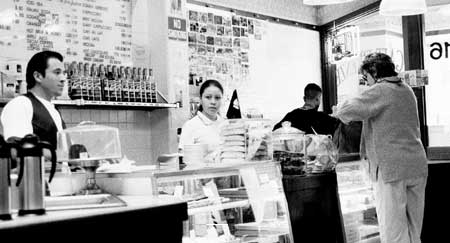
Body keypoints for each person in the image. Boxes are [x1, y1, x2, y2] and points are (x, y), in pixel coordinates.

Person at [332, 53, 428, 243]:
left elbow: (344, 111)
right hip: (416, 165)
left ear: (374, 73)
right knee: (413, 229)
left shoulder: (380, 90)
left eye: (366, 77)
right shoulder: (407, 90)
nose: (366, 82)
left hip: (391, 168)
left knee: (393, 231)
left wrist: (347, 102)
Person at [1, 50, 66, 148]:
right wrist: (59, 156)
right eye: (57, 72)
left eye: (63, 73)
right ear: (38, 76)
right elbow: (20, 148)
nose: (63, 78)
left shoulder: (54, 109)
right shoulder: (20, 104)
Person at [179, 79, 224, 162]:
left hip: (228, 173)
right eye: (208, 97)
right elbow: (183, 161)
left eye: (217, 98)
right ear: (200, 99)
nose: (213, 102)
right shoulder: (191, 126)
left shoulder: (225, 125)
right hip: (202, 174)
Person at [273, 83, 339, 135]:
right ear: (317, 99)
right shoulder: (323, 118)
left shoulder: (291, 115)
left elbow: (275, 131)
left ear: (304, 98)